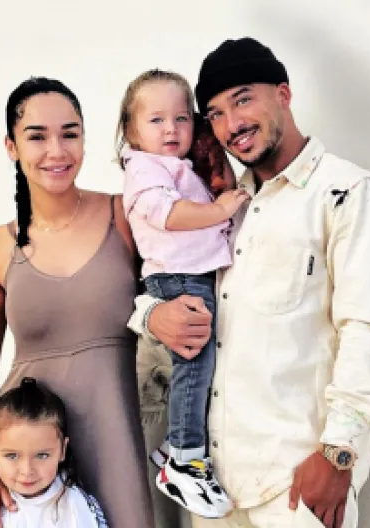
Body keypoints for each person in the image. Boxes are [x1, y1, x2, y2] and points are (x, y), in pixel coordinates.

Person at [126, 37, 370, 528]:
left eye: (243, 100)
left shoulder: (348, 193)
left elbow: (367, 332)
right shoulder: (220, 207)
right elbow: (167, 279)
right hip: (213, 491)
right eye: (215, 114)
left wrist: (338, 453)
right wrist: (152, 315)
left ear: (284, 94)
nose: (231, 125)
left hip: (294, 488)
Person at [0, 77, 154, 528]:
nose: (56, 150)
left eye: (70, 134)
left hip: (118, 436)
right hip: (25, 455)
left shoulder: (126, 215)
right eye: (37, 137)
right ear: (11, 147)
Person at [114, 68, 249, 519]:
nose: (171, 129)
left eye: (181, 118)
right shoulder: (144, 169)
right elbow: (168, 214)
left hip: (192, 276)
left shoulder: (180, 167)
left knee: (201, 365)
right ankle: (185, 459)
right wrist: (219, 210)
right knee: (195, 363)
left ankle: (175, 444)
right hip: (177, 279)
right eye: (156, 120)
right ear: (131, 131)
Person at [0, 377, 107, 528]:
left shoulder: (73, 506)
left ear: (62, 450)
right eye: (12, 456)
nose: (27, 471)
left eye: (42, 455)